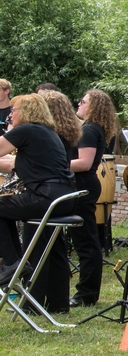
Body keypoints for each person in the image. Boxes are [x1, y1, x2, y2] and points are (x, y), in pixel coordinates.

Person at [0, 95, 76, 292]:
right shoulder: (46, 132)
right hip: (63, 198)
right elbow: (11, 163)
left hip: (46, 197)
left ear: (26, 112)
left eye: (13, 110)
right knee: (5, 210)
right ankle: (57, 302)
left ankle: (12, 262)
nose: (10, 115)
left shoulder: (26, 130)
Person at [26, 91, 81, 312]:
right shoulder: (66, 133)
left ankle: (34, 300)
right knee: (56, 248)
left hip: (46, 193)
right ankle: (58, 302)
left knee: (36, 245)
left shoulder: (46, 136)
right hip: (62, 193)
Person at [69, 89, 118, 307]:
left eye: (83, 101)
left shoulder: (89, 129)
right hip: (85, 185)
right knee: (85, 240)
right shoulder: (91, 128)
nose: (79, 104)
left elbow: (84, 163)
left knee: (86, 242)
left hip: (84, 185)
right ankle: (87, 292)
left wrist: (55, 164)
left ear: (94, 106)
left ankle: (86, 294)